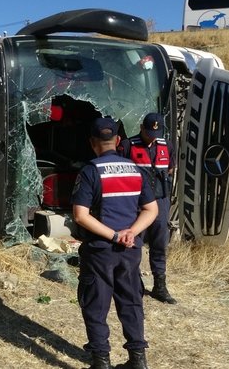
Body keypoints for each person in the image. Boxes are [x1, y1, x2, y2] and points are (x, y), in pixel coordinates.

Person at [72, 117, 158, 369]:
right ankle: (137, 360)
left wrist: (113, 235)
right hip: (130, 251)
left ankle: (101, 361)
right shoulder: (135, 169)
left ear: (92, 143)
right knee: (131, 302)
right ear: (118, 141)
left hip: (101, 251)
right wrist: (131, 232)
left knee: (95, 304)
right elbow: (151, 210)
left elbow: (80, 215)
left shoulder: (90, 171)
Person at [118, 112, 176, 304]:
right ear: (142, 128)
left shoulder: (166, 146)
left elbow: (170, 169)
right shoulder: (127, 146)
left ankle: (160, 285)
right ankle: (134, 284)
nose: (153, 137)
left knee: (160, 243)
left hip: (160, 201)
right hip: (135, 202)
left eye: (156, 133)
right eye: (149, 133)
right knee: (134, 243)